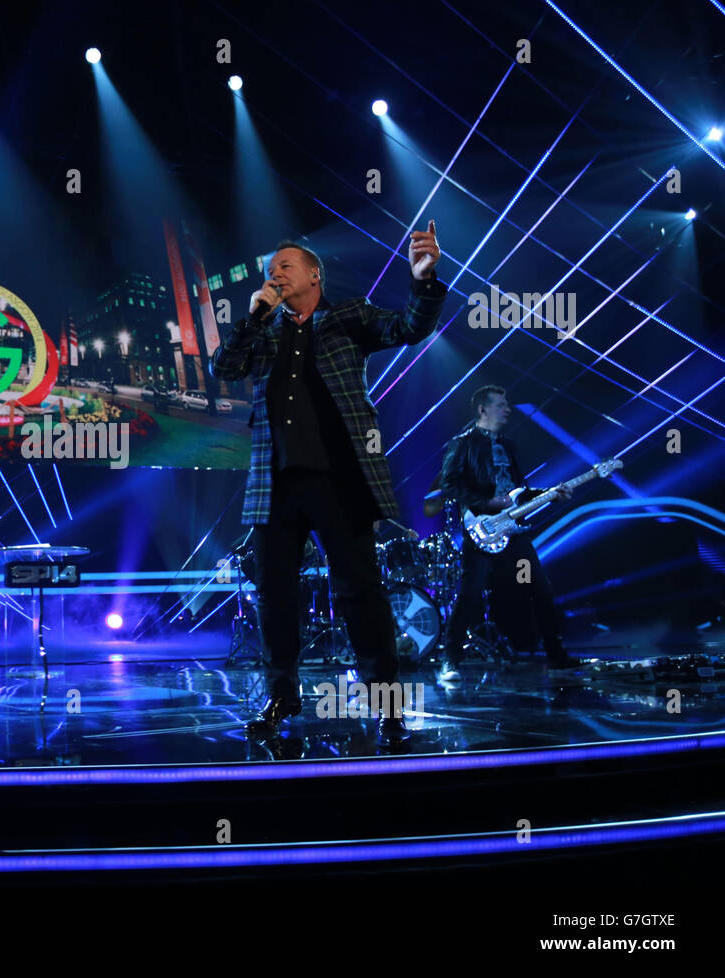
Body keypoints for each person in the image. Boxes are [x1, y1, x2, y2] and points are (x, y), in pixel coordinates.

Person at [210, 223, 446, 744]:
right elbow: (223, 366)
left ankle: (386, 706)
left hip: (340, 479)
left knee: (361, 592)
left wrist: (424, 282)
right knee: (275, 595)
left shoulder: (347, 315)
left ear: (314, 275)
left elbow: (408, 327)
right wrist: (252, 318)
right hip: (275, 485)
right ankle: (281, 697)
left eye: (285, 267)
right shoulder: (265, 332)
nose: (275, 276)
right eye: (270, 272)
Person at [437, 385, 580, 680]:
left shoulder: (509, 446)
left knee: (540, 588)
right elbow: (449, 485)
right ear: (483, 409)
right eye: (501, 404)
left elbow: (519, 492)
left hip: (513, 529)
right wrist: (487, 502)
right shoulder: (462, 444)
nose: (508, 409)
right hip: (482, 529)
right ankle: (450, 659)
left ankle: (557, 655)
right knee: (470, 594)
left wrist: (551, 492)